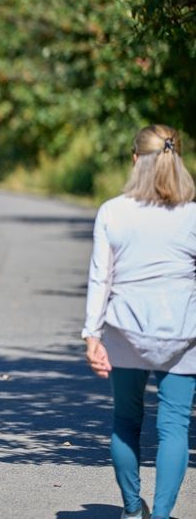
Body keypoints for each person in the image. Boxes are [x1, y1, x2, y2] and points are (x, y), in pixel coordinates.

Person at [82, 124, 196, 519]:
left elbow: (102, 278)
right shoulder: (193, 214)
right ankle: (161, 515)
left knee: (125, 421)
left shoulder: (113, 212)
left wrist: (91, 335)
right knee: (175, 426)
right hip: (183, 332)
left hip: (125, 332)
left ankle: (133, 509)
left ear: (135, 160)